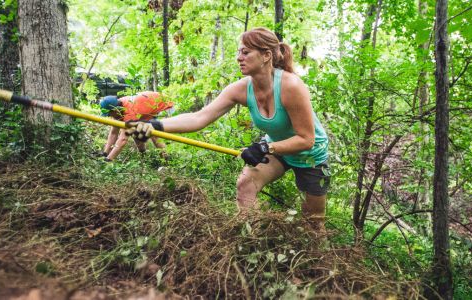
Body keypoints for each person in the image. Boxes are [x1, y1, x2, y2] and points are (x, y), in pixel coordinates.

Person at [126, 27, 330, 231]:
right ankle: (254, 239)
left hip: (310, 155)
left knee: (314, 223)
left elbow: (306, 139)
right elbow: (199, 118)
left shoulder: (291, 86)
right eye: (239, 52)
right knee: (246, 184)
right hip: (276, 147)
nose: (239, 58)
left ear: (266, 56)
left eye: (246, 52)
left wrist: (265, 148)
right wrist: (155, 125)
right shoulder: (241, 89)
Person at [100, 92, 174, 161]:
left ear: (115, 110)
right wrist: (105, 153)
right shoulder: (118, 106)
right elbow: (113, 133)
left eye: (109, 114)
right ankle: (143, 156)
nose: (109, 117)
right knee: (134, 131)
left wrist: (109, 159)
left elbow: (123, 140)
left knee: (154, 135)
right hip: (147, 108)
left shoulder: (129, 113)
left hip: (164, 106)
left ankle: (167, 160)